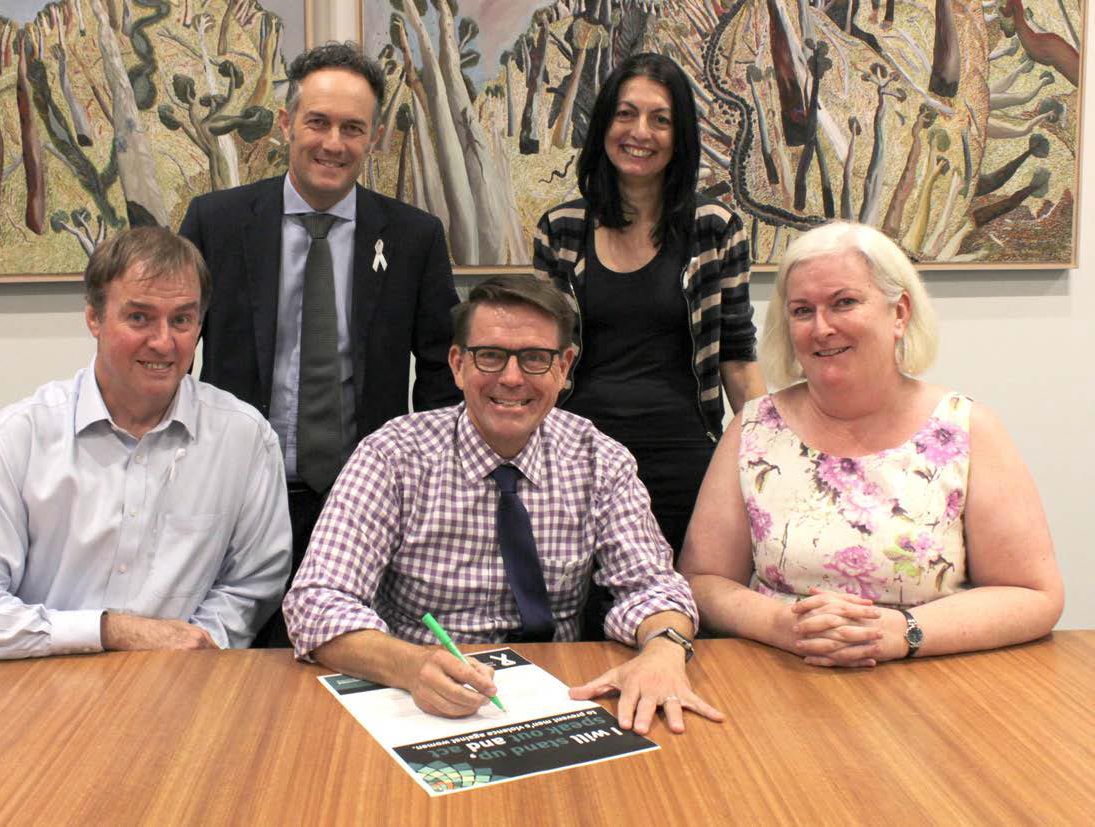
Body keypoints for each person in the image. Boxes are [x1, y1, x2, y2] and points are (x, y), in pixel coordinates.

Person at [284, 276, 723, 736]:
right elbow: (317, 601)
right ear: (457, 364)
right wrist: (409, 666)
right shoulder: (393, 455)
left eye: (535, 358)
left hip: (561, 692)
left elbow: (654, 587)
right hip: (415, 699)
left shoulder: (600, 459)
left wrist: (664, 651)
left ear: (564, 367)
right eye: (490, 356)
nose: (511, 379)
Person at [679, 221, 1064, 666]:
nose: (821, 328)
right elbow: (702, 580)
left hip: (934, 678)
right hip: (783, 672)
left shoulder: (967, 429)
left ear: (898, 313)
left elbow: (1033, 595)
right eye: (802, 310)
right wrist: (785, 626)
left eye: (844, 303)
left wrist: (905, 632)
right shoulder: (754, 429)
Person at [179, 42, 461, 643]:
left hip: (366, 503)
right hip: (240, 494)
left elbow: (441, 372)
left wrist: (434, 486)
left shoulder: (414, 238)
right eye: (319, 122)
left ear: (375, 137)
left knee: (355, 663)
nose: (334, 143)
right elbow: (173, 354)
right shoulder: (216, 223)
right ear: (286, 124)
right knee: (237, 667)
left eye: (353, 128)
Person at [0, 228, 292, 661]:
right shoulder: (19, 438)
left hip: (181, 685)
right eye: (139, 318)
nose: (163, 342)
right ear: (94, 318)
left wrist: (194, 645)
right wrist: (108, 631)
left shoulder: (244, 439)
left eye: (182, 320)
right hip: (33, 684)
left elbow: (251, 586)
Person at [533, 53, 764, 560]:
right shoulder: (560, 229)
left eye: (661, 119)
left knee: (685, 611)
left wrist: (770, 464)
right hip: (578, 456)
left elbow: (738, 357)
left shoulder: (715, 228)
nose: (641, 132)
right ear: (603, 127)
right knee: (584, 618)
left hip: (685, 455)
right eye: (626, 114)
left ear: (680, 136)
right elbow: (540, 356)